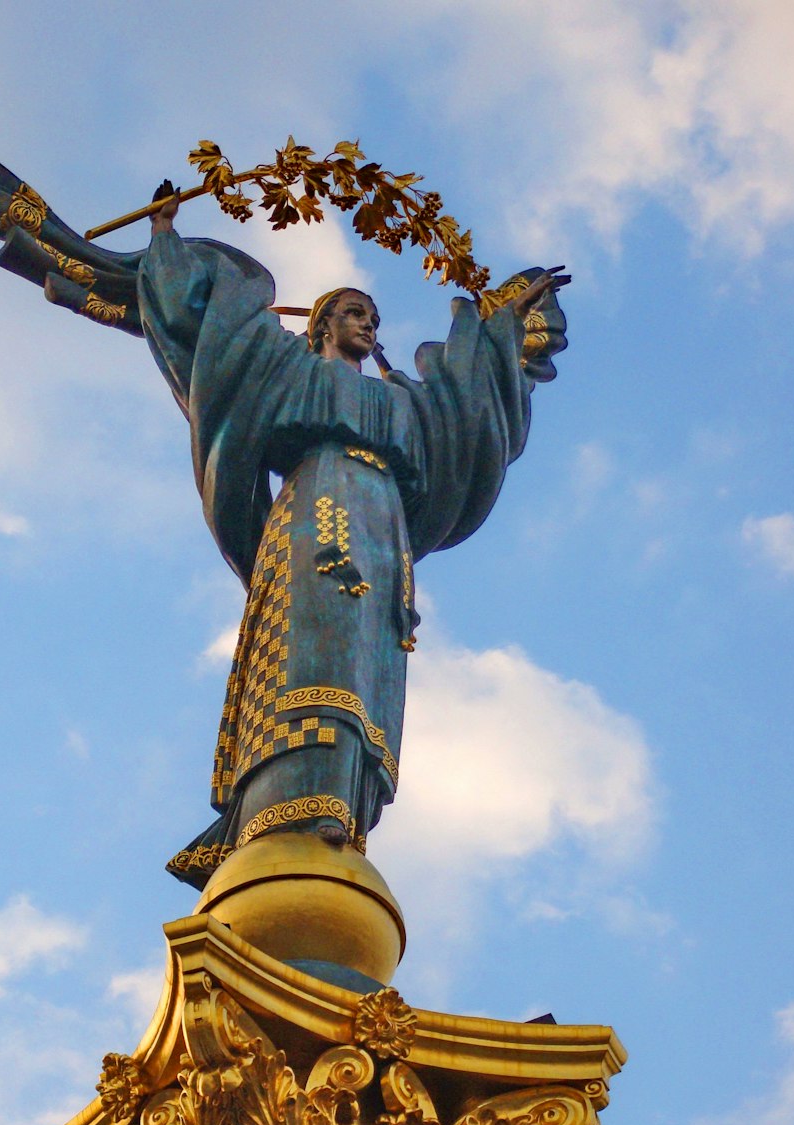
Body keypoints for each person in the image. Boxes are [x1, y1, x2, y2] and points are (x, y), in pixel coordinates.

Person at [133, 182, 570, 888]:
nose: (367, 323)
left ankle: (342, 803)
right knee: (313, 647)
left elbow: (468, 405)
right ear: (321, 324)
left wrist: (503, 320)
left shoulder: (402, 400)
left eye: (372, 316)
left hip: (382, 526)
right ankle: (280, 806)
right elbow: (213, 330)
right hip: (317, 506)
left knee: (366, 660)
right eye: (352, 313)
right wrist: (166, 240)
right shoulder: (291, 372)